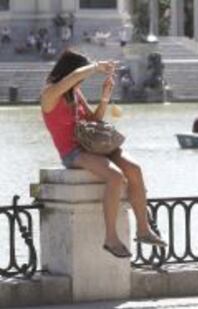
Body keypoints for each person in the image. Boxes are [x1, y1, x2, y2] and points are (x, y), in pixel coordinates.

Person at [40, 50, 167, 259]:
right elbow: (73, 77)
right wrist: (97, 66)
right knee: (116, 177)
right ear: (71, 72)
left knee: (134, 169)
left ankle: (143, 229)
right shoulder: (50, 94)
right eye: (81, 76)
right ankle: (110, 238)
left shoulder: (75, 93)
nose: (82, 82)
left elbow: (94, 119)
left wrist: (105, 97)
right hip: (73, 153)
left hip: (94, 145)